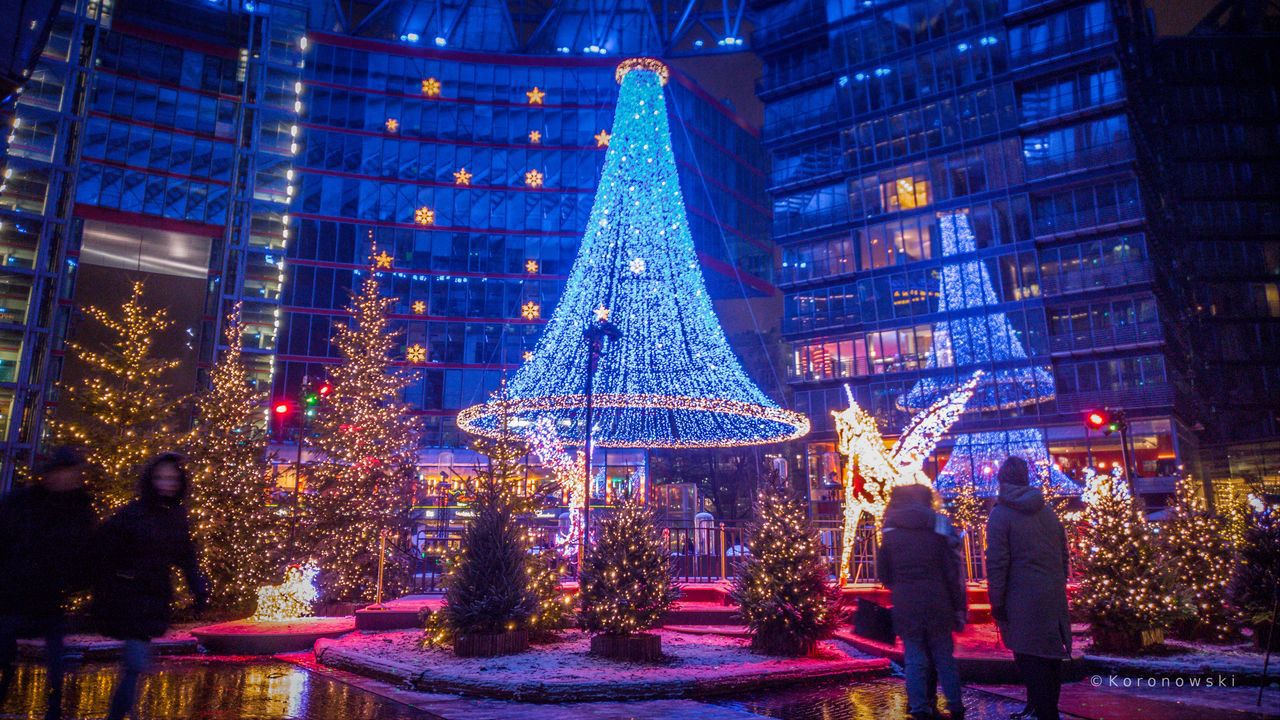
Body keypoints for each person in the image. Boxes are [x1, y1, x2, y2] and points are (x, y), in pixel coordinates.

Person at [92, 453, 207, 720]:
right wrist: (117, 579)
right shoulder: (135, 513)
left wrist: (198, 588)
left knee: (135, 665)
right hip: (130, 597)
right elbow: (103, 547)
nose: (166, 483)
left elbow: (185, 556)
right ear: (150, 480)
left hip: (151, 597)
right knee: (134, 664)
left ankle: (125, 712)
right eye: (160, 477)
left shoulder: (175, 515)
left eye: (172, 478)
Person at [0, 447, 95, 720]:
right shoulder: (21, 504)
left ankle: (54, 709)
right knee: (5, 656)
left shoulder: (79, 508)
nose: (68, 479)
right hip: (12, 595)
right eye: (64, 473)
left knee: (56, 663)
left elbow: (85, 553)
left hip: (49, 600)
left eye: (74, 474)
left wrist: (81, 582)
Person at [986, 456, 1071, 720]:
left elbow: (997, 562)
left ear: (1002, 480)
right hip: (1051, 596)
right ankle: (1041, 708)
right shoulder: (1046, 511)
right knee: (1049, 657)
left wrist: (997, 601)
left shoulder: (1000, 514)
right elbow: (1063, 552)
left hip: (1020, 599)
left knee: (1029, 658)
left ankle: (1044, 712)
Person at [877, 483, 967, 720]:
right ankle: (955, 705)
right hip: (939, 600)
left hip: (907, 602)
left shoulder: (891, 529)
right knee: (944, 657)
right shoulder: (938, 525)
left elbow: (884, 573)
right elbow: (951, 570)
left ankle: (919, 707)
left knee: (914, 657)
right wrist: (958, 606)